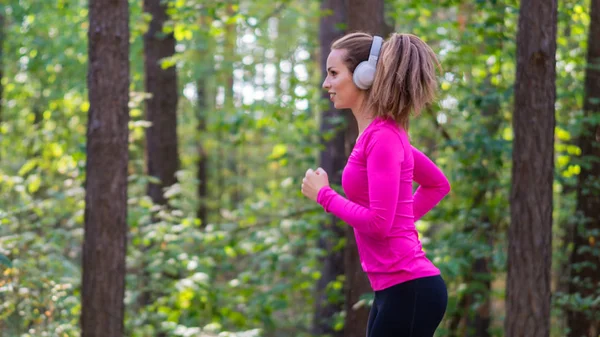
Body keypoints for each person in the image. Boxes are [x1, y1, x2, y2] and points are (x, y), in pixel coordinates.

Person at [301, 32, 451, 337]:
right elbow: (437, 185)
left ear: (364, 75)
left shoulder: (383, 137)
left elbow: (380, 223)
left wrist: (325, 196)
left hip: (410, 288)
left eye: (333, 73)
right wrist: (400, 220)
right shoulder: (378, 136)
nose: (325, 84)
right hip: (394, 289)